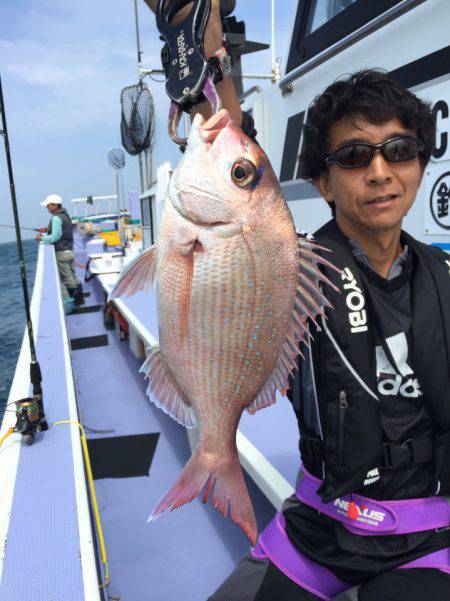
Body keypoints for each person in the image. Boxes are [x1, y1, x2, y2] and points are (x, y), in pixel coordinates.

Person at [145, 3, 450, 599]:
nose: (381, 171)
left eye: (400, 149)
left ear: (419, 162)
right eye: (355, 156)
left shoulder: (445, 274)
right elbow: (232, 155)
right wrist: (201, 48)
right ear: (322, 180)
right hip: (319, 525)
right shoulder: (287, 267)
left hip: (430, 532)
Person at [36, 194, 84, 306]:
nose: (47, 208)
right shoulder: (65, 216)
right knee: (73, 275)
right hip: (70, 250)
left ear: (54, 205)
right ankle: (80, 298)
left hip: (61, 252)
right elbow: (62, 230)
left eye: (48, 205)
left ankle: (76, 301)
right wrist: (48, 229)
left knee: (67, 277)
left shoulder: (56, 218)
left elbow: (55, 237)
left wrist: (41, 237)